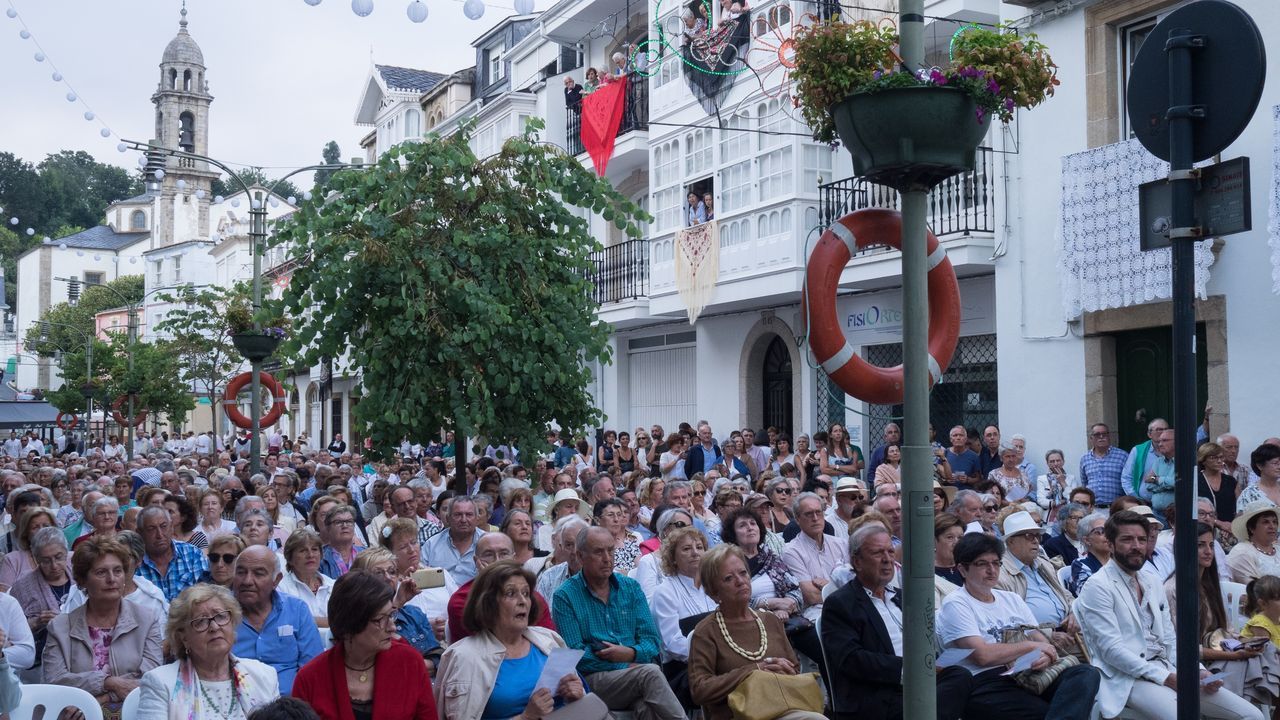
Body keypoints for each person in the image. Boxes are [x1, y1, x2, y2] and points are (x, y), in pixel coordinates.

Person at [1075, 511, 1262, 720]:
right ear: (1110, 544)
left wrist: (1197, 670)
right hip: (1127, 678)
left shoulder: (1151, 581)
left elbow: (1171, 640)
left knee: (1252, 715)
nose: (1136, 546)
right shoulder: (1098, 586)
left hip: (1168, 668)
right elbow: (1111, 651)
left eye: (1142, 539)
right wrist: (1166, 678)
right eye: (1127, 539)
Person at [938, 532, 1099, 718]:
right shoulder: (957, 603)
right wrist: (1031, 646)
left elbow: (1041, 641)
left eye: (996, 563)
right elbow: (982, 656)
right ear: (963, 570)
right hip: (986, 679)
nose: (992, 570)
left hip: (1026, 672)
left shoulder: (1011, 599)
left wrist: (1044, 655)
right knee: (1041, 712)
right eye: (982, 564)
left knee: (1086, 674)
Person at [823, 525, 973, 720]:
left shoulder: (902, 597)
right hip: (881, 691)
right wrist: (910, 668)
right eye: (878, 553)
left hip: (921, 680)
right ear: (857, 561)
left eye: (890, 552)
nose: (887, 560)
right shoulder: (841, 603)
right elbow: (850, 659)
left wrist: (929, 664)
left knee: (961, 676)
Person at [552, 527, 685, 719]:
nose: (607, 558)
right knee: (651, 674)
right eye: (599, 552)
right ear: (580, 557)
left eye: (611, 550)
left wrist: (630, 653)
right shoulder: (565, 596)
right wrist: (624, 665)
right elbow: (575, 654)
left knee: (646, 707)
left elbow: (651, 641)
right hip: (594, 679)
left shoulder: (630, 587)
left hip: (635, 674)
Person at [687, 543, 825, 720]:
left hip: (784, 706)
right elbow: (700, 690)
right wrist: (754, 670)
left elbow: (794, 668)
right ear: (714, 592)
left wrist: (782, 669)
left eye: (743, 573)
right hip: (738, 714)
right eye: (728, 578)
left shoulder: (770, 620)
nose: (740, 581)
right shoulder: (706, 631)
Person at [435, 560, 589, 720]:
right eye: (510, 593)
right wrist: (526, 717)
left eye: (526, 593)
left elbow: (581, 709)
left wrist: (575, 698)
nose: (522, 601)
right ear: (488, 602)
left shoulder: (548, 639)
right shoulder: (465, 657)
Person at [292, 570, 439, 719]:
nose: (392, 627)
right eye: (380, 620)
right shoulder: (310, 678)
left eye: (391, 615)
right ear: (350, 625)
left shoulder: (409, 662)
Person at [43, 536, 163, 712]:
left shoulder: (146, 619)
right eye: (101, 572)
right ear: (83, 580)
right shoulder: (60, 627)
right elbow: (55, 680)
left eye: (118, 570)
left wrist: (104, 697)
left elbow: (151, 678)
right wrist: (107, 682)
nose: (112, 579)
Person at [1166, 522, 1280, 706]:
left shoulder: (1211, 586)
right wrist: (1236, 655)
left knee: (1267, 651)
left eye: (1211, 545)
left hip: (1226, 654)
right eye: (1200, 545)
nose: (1208, 551)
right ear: (1184, 547)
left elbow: (1229, 632)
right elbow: (1183, 649)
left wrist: (1246, 645)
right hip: (1200, 668)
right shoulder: (1173, 589)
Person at [139, 584, 280, 718]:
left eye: (220, 616)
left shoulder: (264, 676)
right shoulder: (160, 683)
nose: (214, 627)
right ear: (183, 637)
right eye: (201, 621)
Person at [232, 545, 325, 693]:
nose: (247, 580)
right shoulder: (220, 613)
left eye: (259, 573)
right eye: (241, 572)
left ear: (276, 580)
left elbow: (313, 668)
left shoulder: (296, 610)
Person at [447, 532, 555, 642]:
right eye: (489, 554)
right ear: (476, 561)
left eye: (504, 554)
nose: (497, 561)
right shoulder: (461, 600)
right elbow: (488, 644)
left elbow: (550, 641)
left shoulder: (530, 598)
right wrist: (490, 582)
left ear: (513, 558)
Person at [651, 526, 716, 708]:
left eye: (699, 547)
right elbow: (672, 645)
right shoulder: (665, 592)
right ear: (673, 558)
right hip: (685, 671)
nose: (695, 553)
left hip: (719, 661)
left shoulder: (713, 585)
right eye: (687, 549)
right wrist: (713, 657)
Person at [994, 511, 1080, 649]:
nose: (1036, 540)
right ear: (1011, 541)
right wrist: (1047, 634)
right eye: (1029, 535)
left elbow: (1065, 594)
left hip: (1070, 633)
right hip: (1037, 643)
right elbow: (1007, 621)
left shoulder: (1042, 562)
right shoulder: (999, 573)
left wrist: (1074, 611)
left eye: (1037, 535)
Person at [11, 526, 71, 675]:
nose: (54, 565)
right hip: (39, 663)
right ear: (36, 559)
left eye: (59, 557)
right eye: (46, 561)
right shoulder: (22, 587)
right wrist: (36, 622)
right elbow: (12, 633)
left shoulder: (81, 577)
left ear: (66, 552)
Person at [782, 492, 848, 622]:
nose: (815, 518)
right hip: (818, 615)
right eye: (808, 514)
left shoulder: (841, 544)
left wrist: (828, 586)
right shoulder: (791, 551)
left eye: (818, 512)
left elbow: (857, 586)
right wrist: (841, 588)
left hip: (849, 608)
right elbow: (811, 596)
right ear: (797, 519)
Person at [135, 505, 209, 602]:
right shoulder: (133, 563)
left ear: (171, 527)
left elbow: (206, 595)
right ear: (140, 533)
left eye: (164, 526)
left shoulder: (193, 554)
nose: (159, 535)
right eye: (151, 529)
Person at [421, 495, 485, 584]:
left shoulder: (489, 543)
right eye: (458, 515)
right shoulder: (432, 544)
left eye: (469, 515)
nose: (463, 520)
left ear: (477, 518)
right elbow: (420, 578)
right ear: (448, 518)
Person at [278, 528, 335, 627]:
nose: (310, 555)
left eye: (314, 549)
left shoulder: (333, 585)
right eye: (302, 550)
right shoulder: (281, 588)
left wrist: (304, 619)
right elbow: (288, 621)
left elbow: (345, 621)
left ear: (321, 555)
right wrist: (331, 622)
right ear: (290, 558)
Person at [1227, 501, 1280, 584]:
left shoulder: (1278, 549)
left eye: (1275, 522)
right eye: (1266, 522)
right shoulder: (1242, 552)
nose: (1272, 526)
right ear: (1251, 527)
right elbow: (1255, 589)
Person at [1078, 423, 1128, 507]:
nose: (1101, 437)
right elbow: (1084, 483)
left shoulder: (1123, 456)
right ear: (1091, 438)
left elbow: (1128, 481)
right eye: (1097, 434)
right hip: (1092, 508)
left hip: (1115, 508)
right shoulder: (1085, 459)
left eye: (1104, 434)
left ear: (1109, 436)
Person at [1196, 442, 1239, 529]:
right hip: (1204, 528)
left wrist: (1233, 525)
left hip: (1230, 529)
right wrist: (1217, 522)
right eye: (1213, 458)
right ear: (1203, 460)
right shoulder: (1195, 481)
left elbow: (1240, 506)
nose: (1219, 461)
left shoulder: (1231, 481)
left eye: (1221, 457)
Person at [1237, 442, 1280, 510]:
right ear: (1260, 465)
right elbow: (1241, 519)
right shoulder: (1249, 493)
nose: (1279, 467)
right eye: (1275, 463)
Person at [1035, 449, 1077, 515]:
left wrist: (1063, 482)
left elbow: (1073, 500)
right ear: (1047, 463)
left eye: (1058, 460)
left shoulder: (1071, 478)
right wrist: (1060, 502)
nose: (1055, 464)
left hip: (1069, 513)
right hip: (1048, 514)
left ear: (1063, 462)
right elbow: (1041, 501)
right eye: (1052, 461)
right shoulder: (1042, 479)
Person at [1042, 502, 1085, 566]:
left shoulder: (1091, 542)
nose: (1079, 522)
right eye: (1074, 518)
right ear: (1064, 522)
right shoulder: (1053, 545)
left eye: (1081, 518)